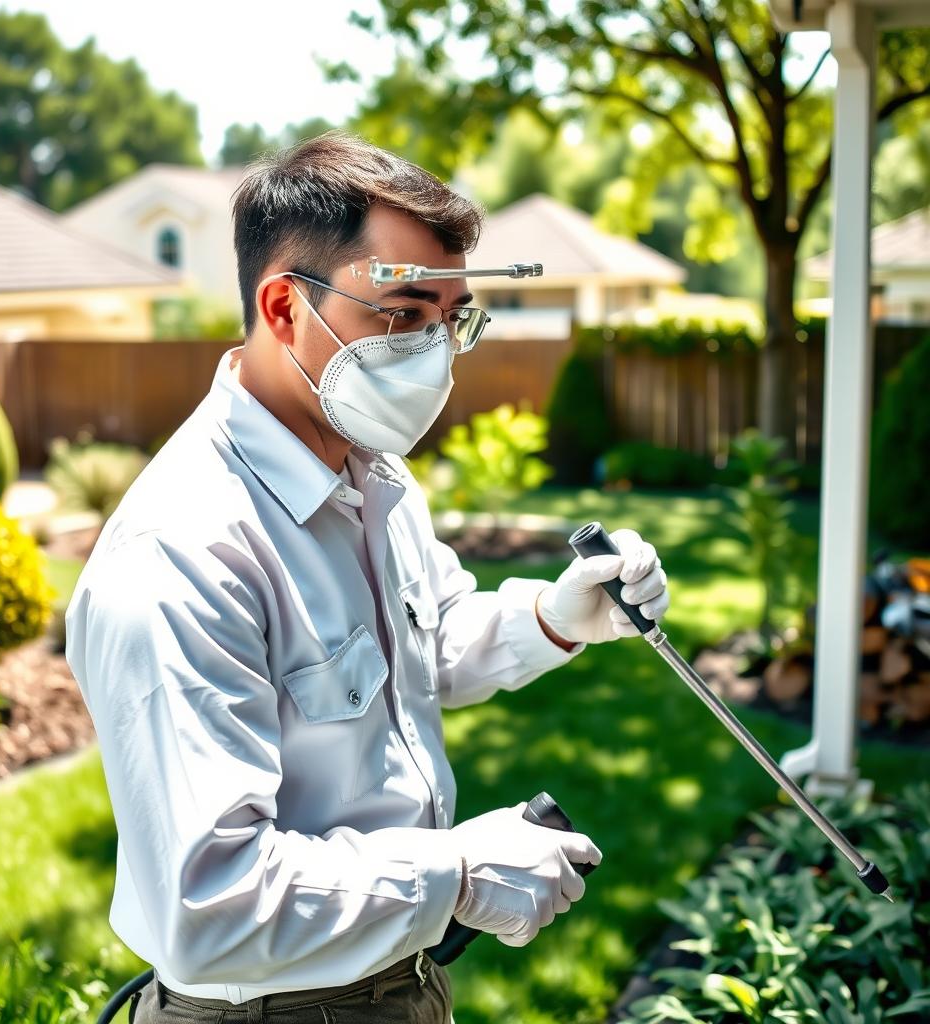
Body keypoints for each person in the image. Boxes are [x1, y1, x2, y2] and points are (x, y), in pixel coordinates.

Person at [65, 129, 670, 1024]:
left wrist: (552, 615)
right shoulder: (183, 553)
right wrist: (457, 873)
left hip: (403, 983)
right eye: (403, 312)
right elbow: (211, 903)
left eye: (451, 319)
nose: (435, 353)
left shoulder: (372, 473)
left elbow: (418, 647)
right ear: (283, 308)